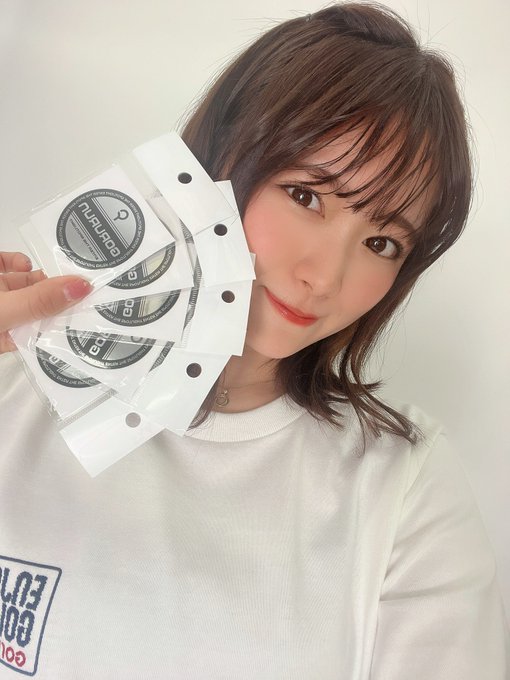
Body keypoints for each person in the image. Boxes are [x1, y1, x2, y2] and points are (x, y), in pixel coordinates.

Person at [0, 3, 508, 679]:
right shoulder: (17, 389)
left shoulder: (402, 489)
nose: (324, 278)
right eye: (306, 196)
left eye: (383, 242)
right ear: (216, 161)